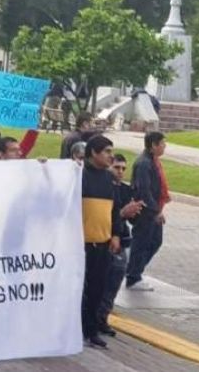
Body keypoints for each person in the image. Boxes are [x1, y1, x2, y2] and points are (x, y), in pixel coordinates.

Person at [80, 135, 122, 349]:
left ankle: (91, 330)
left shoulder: (109, 179)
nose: (110, 155)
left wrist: (115, 234)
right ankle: (77, 327)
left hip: (103, 243)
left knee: (97, 288)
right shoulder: (79, 175)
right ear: (93, 153)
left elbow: (114, 210)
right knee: (79, 289)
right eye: (106, 151)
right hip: (81, 244)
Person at [98, 154, 143, 337]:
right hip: (102, 242)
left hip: (121, 242)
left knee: (113, 283)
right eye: (117, 167)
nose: (120, 172)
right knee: (99, 284)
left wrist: (137, 212)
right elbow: (103, 217)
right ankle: (94, 318)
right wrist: (123, 213)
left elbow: (132, 219)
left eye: (124, 168)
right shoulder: (100, 188)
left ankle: (102, 318)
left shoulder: (126, 190)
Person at [126, 132, 169, 291]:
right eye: (162, 144)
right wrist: (156, 211)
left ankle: (134, 269)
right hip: (145, 211)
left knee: (154, 241)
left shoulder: (153, 162)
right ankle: (133, 276)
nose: (164, 147)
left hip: (152, 209)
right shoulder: (144, 164)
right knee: (141, 242)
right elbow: (144, 191)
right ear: (153, 145)